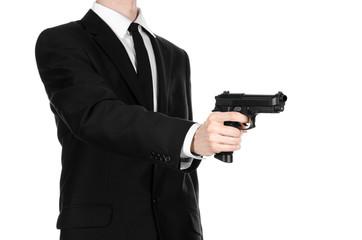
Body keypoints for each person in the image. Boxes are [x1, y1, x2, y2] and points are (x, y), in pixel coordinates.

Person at [35, 0, 248, 239]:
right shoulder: (62, 40)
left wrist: (202, 143)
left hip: (177, 227)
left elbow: (173, 149)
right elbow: (95, 116)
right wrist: (190, 138)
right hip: (104, 230)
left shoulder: (175, 55)